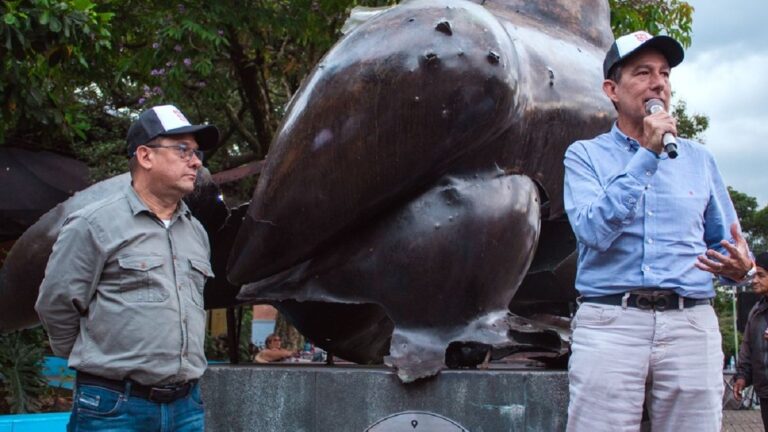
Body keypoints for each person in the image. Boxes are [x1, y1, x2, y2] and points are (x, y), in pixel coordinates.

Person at [563, 30, 754, 431]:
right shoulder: (584, 156)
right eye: (644, 72)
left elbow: (728, 247)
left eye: (665, 74)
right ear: (612, 89)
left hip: (689, 325)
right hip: (611, 322)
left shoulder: (699, 160)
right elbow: (593, 231)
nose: (658, 84)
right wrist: (647, 154)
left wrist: (742, 271)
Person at [35, 105, 219, 432]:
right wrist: (98, 359)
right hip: (113, 406)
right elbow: (57, 304)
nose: (196, 161)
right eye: (183, 150)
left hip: (186, 407)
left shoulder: (195, 232)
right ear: (146, 156)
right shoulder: (94, 224)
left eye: (197, 151)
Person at [733, 252, 768, 428]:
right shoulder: (756, 311)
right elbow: (747, 347)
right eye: (754, 276)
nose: (754, 281)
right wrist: (742, 376)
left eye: (761, 275)